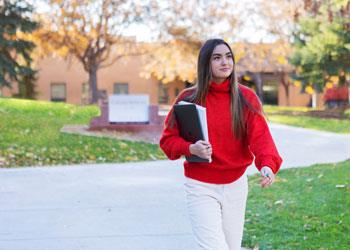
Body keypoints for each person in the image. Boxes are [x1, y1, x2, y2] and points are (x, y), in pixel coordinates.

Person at [159, 38, 282, 250]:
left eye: (228, 56)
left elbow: (260, 136)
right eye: (217, 58)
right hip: (200, 185)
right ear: (205, 63)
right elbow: (167, 141)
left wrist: (267, 164)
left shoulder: (245, 97)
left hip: (235, 184)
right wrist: (190, 148)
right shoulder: (188, 98)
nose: (225, 62)